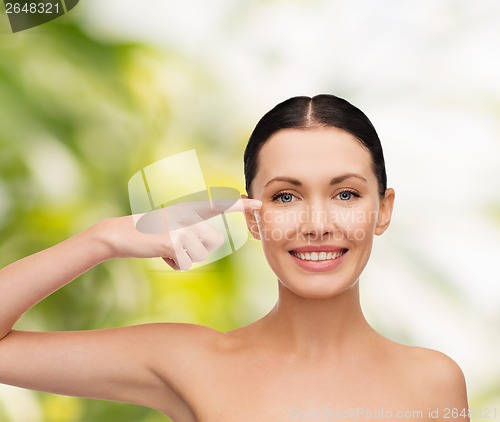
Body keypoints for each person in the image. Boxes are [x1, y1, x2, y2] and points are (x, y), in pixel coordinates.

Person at [0, 94, 469, 421]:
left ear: (382, 209)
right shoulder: (190, 363)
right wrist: (103, 239)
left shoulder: (433, 382)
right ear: (252, 217)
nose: (318, 223)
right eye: (286, 198)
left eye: (345, 194)